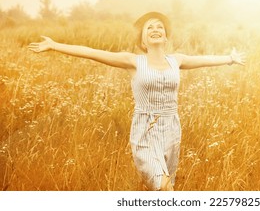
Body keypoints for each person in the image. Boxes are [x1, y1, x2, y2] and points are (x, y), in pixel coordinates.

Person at [28, 11, 246, 191]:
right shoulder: (132, 61)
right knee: (164, 188)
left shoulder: (176, 60)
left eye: (159, 27)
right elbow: (91, 52)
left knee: (165, 186)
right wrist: (55, 45)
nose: (155, 30)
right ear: (143, 40)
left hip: (172, 128)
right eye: (149, 27)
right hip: (145, 130)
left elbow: (204, 60)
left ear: (166, 37)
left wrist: (230, 59)